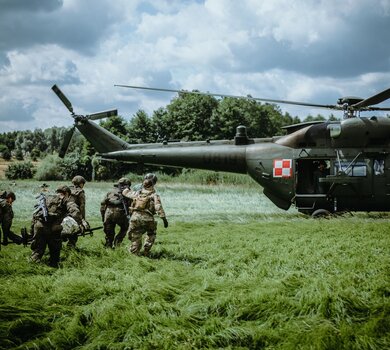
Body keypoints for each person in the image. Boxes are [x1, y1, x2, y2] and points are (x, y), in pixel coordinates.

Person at [30, 185, 82, 267]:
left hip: (39, 226)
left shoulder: (46, 198)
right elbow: (75, 212)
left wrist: (31, 231)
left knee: (37, 250)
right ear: (67, 193)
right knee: (55, 251)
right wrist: (78, 224)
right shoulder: (66, 200)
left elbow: (35, 215)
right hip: (53, 228)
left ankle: (33, 268)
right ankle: (53, 267)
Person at [123, 173, 168, 257]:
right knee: (151, 234)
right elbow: (158, 208)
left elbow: (126, 193)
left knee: (136, 236)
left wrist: (125, 188)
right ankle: (146, 251)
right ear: (154, 183)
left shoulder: (137, 193)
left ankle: (134, 254)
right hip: (148, 219)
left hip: (135, 218)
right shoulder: (154, 195)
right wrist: (164, 220)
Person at [100, 177, 132, 248]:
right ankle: (117, 242)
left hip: (108, 213)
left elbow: (102, 205)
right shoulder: (128, 193)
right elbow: (131, 206)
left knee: (109, 231)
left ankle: (108, 245)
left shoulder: (110, 192)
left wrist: (103, 218)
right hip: (120, 213)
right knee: (125, 228)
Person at [67, 175, 89, 248]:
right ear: (80, 183)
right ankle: (71, 245)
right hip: (74, 213)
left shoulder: (67, 189)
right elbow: (82, 206)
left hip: (64, 212)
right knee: (77, 228)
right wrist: (83, 219)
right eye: (83, 183)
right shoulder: (80, 192)